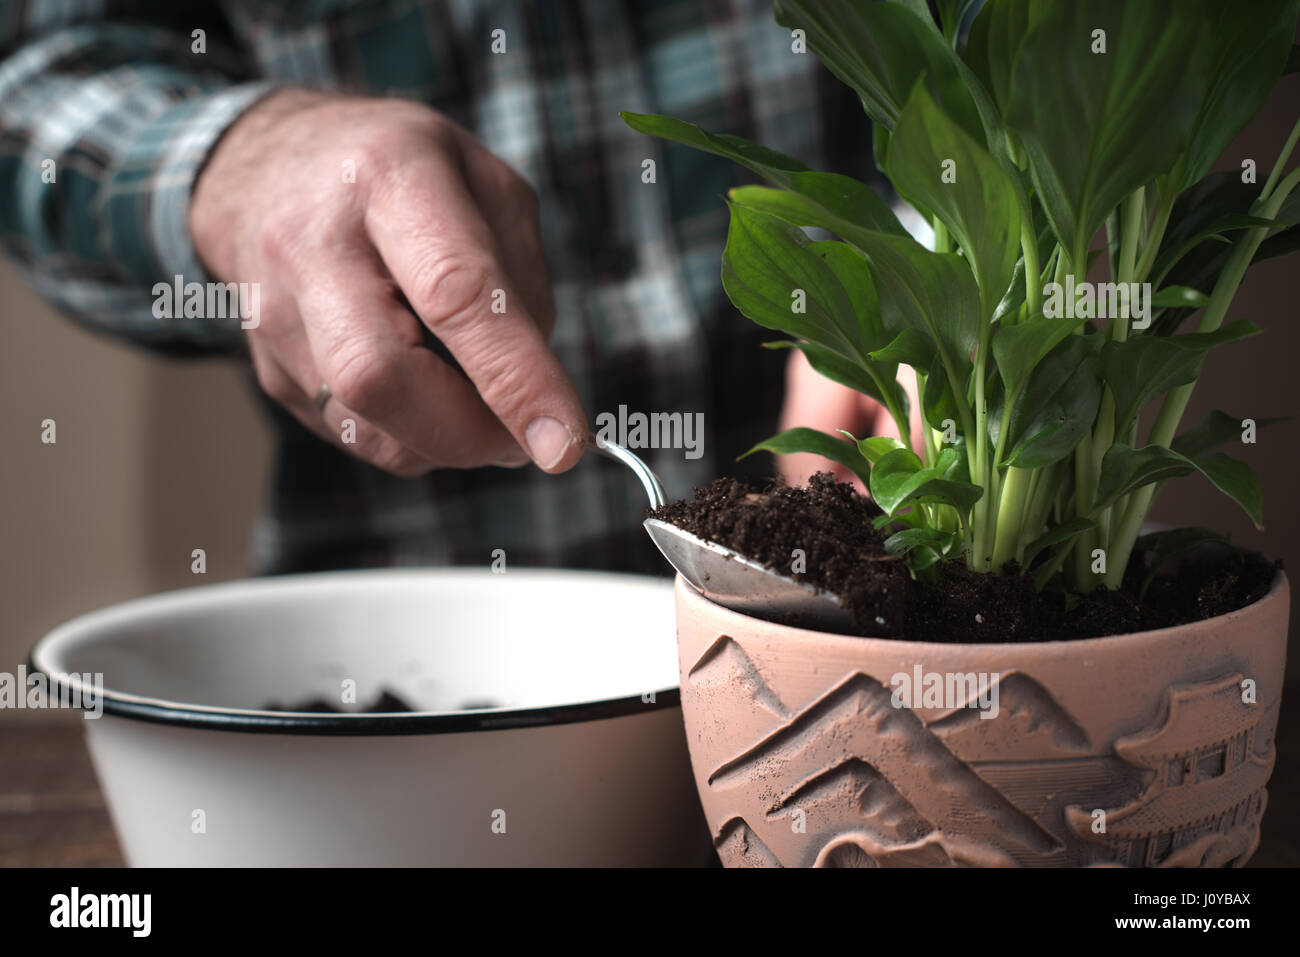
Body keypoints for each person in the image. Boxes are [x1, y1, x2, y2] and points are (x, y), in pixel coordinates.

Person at [0, 0, 910, 577]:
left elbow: (1012, 66)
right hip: (401, 682)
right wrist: (236, 166)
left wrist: (938, 282)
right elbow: (37, 78)